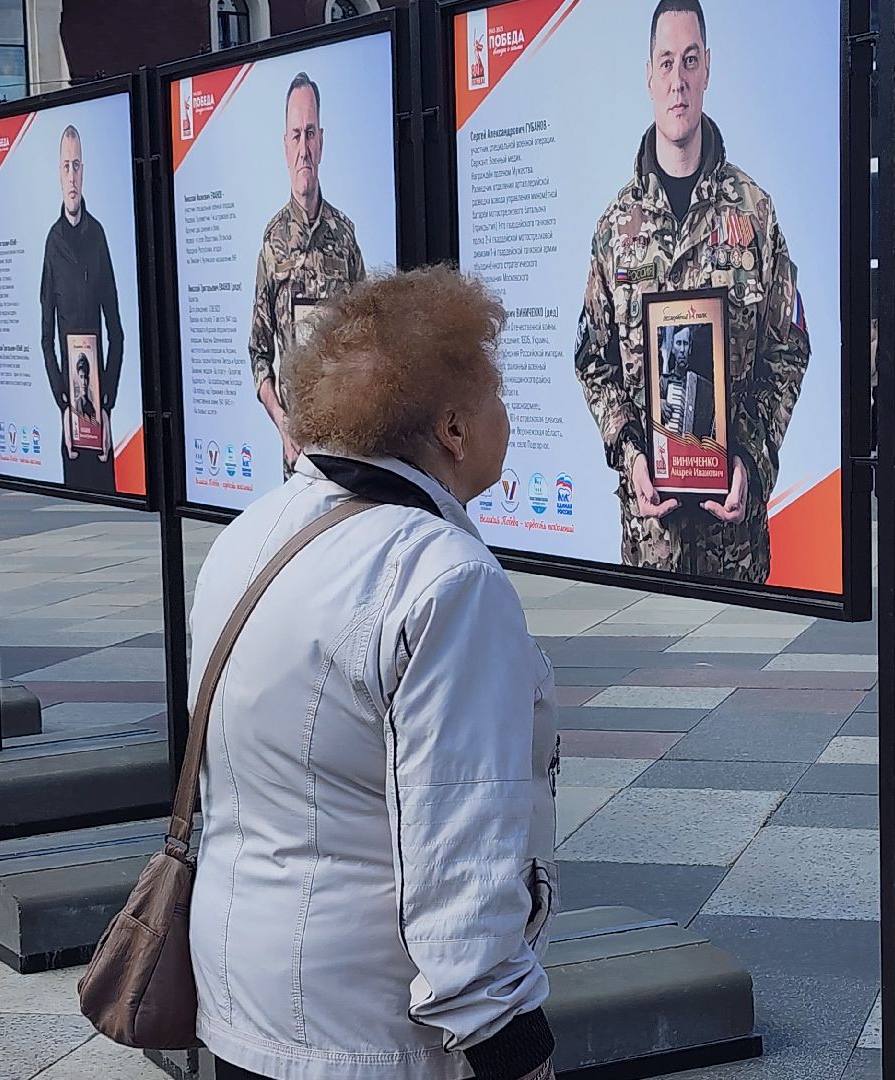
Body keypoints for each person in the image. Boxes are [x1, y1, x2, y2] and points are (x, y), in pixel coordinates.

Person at [190, 266, 558, 1080]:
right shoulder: (446, 579)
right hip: (369, 1035)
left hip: (238, 1001)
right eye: (497, 393)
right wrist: (512, 1047)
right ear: (453, 428)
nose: (508, 412)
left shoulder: (251, 533)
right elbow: (459, 852)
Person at [575, 0, 811, 585]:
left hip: (735, 544)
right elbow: (592, 361)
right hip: (650, 543)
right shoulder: (615, 229)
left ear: (707, 67)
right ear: (648, 76)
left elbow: (787, 352)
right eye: (665, 63)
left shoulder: (755, 215)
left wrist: (751, 459)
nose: (677, 81)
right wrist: (631, 454)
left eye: (689, 60)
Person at [250, 71, 367, 478]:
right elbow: (258, 352)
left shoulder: (345, 236)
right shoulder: (272, 242)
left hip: (346, 446)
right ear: (285, 145)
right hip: (297, 453)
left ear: (322, 142)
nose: (304, 149)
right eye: (296, 135)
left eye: (311, 134)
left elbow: (366, 336)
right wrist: (283, 424)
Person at [40, 124, 126, 495]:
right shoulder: (52, 243)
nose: (72, 175)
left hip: (100, 418)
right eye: (66, 166)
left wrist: (107, 404)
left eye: (77, 165)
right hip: (70, 422)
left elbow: (117, 334)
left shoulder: (98, 236)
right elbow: (46, 338)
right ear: (58, 174)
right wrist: (62, 405)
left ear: (84, 171)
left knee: (111, 508)